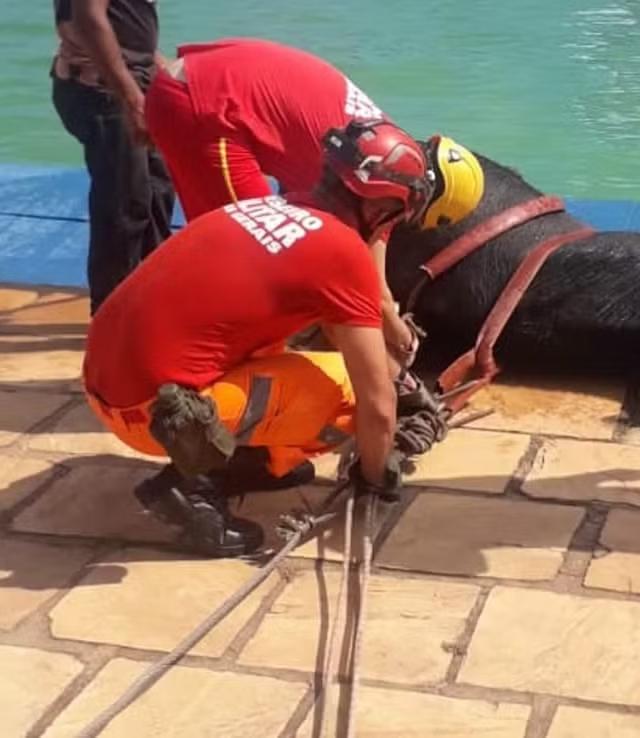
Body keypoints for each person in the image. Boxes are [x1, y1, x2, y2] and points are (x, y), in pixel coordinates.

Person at [82, 119, 445, 557]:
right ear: (380, 206)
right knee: (350, 397)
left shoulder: (264, 209)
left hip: (105, 387)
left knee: (278, 350)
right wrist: (377, 479)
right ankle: (188, 488)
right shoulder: (342, 252)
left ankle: (247, 461)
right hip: (155, 416)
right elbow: (379, 404)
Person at [143, 37, 485, 370]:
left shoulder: (381, 140)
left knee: (262, 251)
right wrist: (399, 344)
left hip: (200, 79)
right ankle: (230, 376)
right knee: (255, 259)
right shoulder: (388, 178)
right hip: (208, 110)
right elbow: (365, 290)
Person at [51, 0, 174, 314]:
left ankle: (153, 300)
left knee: (159, 192)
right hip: (105, 90)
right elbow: (88, 17)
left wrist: (163, 69)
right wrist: (131, 99)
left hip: (135, 81)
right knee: (126, 202)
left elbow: (129, 26)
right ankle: (112, 315)